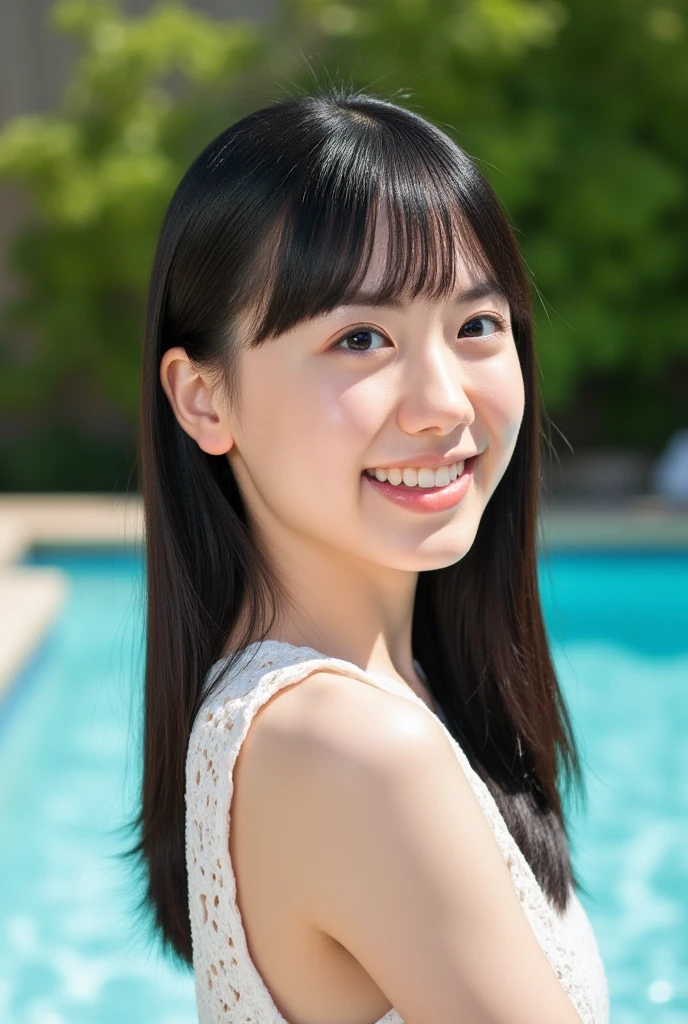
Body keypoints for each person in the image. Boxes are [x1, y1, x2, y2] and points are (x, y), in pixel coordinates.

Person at [128, 88, 609, 1023]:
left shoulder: (346, 704)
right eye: (360, 338)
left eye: (477, 326)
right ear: (203, 399)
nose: (443, 404)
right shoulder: (353, 749)